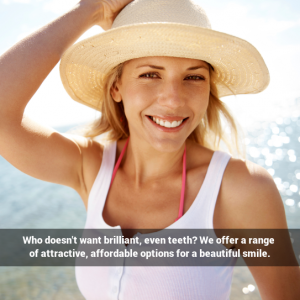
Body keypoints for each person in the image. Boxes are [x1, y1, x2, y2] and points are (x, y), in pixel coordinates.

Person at [0, 0, 299, 299]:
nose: (173, 99)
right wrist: (91, 9)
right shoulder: (90, 167)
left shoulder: (240, 189)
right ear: (116, 87)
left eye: (193, 76)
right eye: (150, 74)